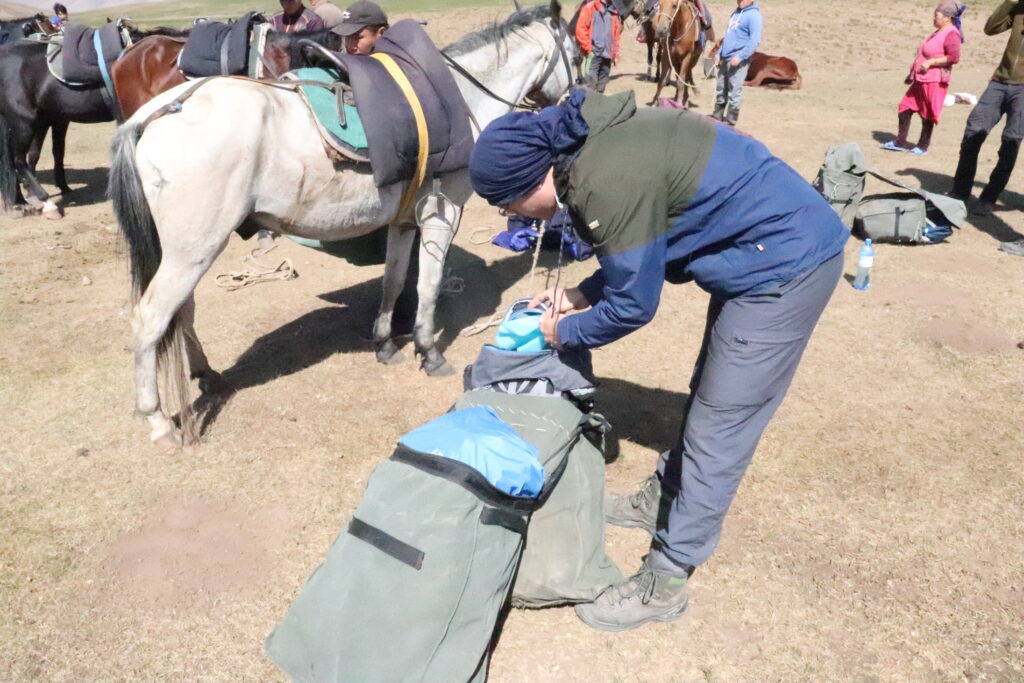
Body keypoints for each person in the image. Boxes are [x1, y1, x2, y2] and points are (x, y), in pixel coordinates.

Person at [468, 89, 848, 631]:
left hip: (785, 264)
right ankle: (662, 499)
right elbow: (643, 242)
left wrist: (561, 332)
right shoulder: (590, 152)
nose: (507, 215)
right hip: (757, 250)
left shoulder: (602, 178)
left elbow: (633, 306)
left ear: (535, 181)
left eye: (505, 204)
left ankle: (666, 579)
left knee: (722, 423)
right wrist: (577, 295)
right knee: (710, 388)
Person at [951, 0, 1024, 255]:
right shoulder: (1018, 9)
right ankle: (960, 192)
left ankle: (989, 197)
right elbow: (990, 28)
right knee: (974, 130)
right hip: (1000, 82)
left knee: (1011, 140)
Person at [882, 2, 965, 155]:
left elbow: (954, 57)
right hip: (920, 79)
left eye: (937, 16)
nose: (934, 18)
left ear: (947, 18)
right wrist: (912, 73)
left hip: (934, 80)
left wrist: (931, 62)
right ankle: (900, 141)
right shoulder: (938, 31)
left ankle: (923, 145)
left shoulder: (951, 33)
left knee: (927, 113)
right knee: (905, 107)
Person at [714, 0, 761, 125]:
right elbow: (728, 36)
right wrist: (719, 53)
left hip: (738, 61)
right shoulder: (735, 13)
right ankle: (717, 117)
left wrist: (740, 57)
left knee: (734, 92)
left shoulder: (754, 16)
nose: (740, 1)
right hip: (725, 59)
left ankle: (730, 122)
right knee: (720, 89)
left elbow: (754, 41)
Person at [576, 0, 621, 93]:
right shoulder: (590, 8)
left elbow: (616, 35)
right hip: (594, 55)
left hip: (607, 57)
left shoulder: (614, 11)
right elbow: (580, 29)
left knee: (601, 87)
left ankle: (597, 105)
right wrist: (588, 49)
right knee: (590, 86)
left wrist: (615, 54)